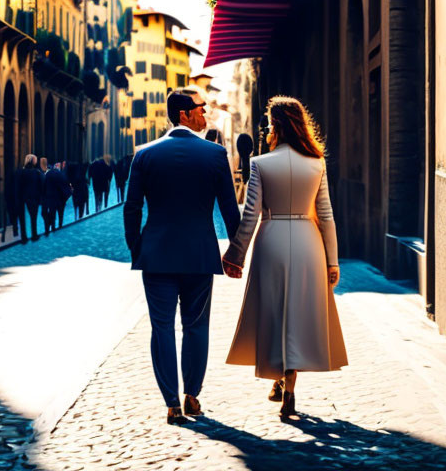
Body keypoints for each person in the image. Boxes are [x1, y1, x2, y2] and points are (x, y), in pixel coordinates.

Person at [222, 96, 348, 418]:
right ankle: (288, 387)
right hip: (308, 241)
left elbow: (250, 215)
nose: (265, 129)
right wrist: (332, 260)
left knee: (275, 312)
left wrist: (235, 255)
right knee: (300, 314)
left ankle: (279, 377)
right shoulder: (316, 163)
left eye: (267, 123)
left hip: (272, 239)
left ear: (275, 126)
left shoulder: (261, 164)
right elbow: (326, 214)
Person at [124, 90, 241, 425]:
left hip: (157, 255)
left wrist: (137, 249)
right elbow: (230, 211)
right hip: (199, 255)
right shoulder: (215, 155)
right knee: (196, 325)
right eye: (201, 110)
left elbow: (132, 210)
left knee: (161, 327)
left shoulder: (144, 155)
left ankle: (172, 403)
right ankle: (192, 395)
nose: (205, 115)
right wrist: (236, 253)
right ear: (186, 114)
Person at [16, 154, 43, 242]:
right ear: (32, 161)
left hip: (22, 197)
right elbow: (41, 185)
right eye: (35, 160)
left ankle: (24, 237)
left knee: (22, 218)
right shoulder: (36, 172)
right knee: (33, 217)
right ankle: (34, 235)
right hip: (33, 197)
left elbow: (18, 186)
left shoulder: (21, 172)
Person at [50, 161, 72, 229]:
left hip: (52, 198)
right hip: (60, 199)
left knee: (53, 214)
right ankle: (60, 226)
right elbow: (66, 188)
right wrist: (65, 197)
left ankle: (53, 227)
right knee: (60, 214)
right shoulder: (62, 175)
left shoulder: (49, 174)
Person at [39, 156, 56, 235]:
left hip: (49, 196)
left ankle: (50, 227)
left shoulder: (49, 172)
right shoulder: (41, 172)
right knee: (44, 212)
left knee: (50, 211)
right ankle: (49, 226)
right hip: (46, 196)